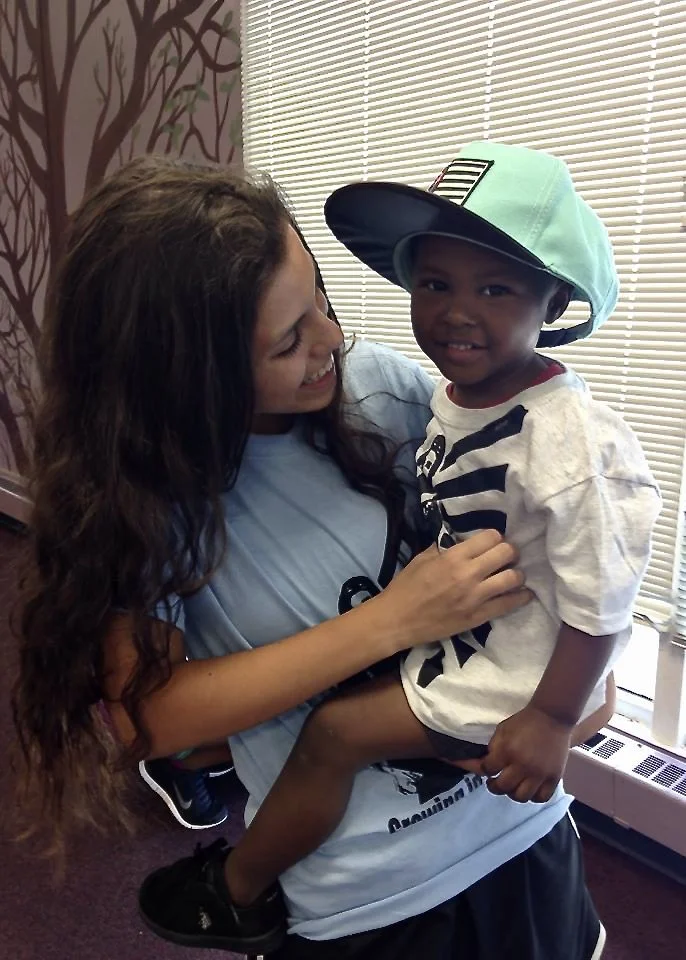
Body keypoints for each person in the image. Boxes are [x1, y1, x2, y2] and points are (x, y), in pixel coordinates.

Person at [13, 154, 611, 960]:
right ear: (190, 377)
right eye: (289, 340)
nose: (333, 342)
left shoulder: (390, 394)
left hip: (522, 835)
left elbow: (557, 563)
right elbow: (146, 723)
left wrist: (569, 697)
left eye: (321, 301)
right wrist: (388, 623)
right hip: (368, 902)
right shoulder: (154, 499)